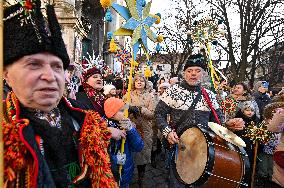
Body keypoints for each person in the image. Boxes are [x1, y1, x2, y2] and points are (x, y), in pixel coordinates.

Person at [2, 1, 117, 187]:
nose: (50, 76)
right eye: (33, 64)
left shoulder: (86, 124)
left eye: (57, 66)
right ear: (6, 73)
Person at [154, 54, 245, 187]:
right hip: (179, 146)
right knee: (176, 183)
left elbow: (218, 122)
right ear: (184, 73)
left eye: (198, 71)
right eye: (190, 71)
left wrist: (228, 125)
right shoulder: (172, 91)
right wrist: (167, 132)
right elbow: (158, 114)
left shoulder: (210, 95)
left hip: (203, 151)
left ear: (203, 74)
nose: (193, 74)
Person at [123, 74, 156, 188]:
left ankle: (141, 177)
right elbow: (122, 109)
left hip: (145, 129)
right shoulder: (127, 95)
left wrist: (141, 109)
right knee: (130, 153)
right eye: (137, 80)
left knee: (142, 154)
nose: (139, 82)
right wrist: (129, 108)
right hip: (131, 127)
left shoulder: (150, 96)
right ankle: (128, 175)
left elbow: (152, 114)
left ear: (145, 83)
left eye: (142, 81)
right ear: (134, 83)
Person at [104, 97, 144, 187]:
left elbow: (139, 146)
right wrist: (115, 159)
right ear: (112, 114)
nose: (126, 114)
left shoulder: (127, 125)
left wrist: (131, 130)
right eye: (122, 111)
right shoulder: (102, 126)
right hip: (110, 175)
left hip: (125, 172)